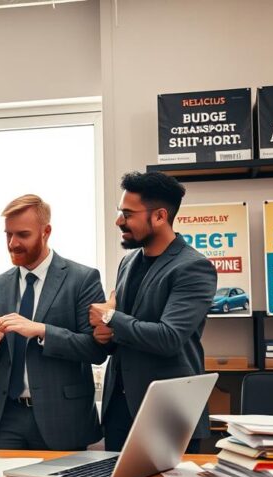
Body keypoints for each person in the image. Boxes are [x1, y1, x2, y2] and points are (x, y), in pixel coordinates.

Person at [89, 171, 217, 452]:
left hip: (167, 413)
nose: (118, 221)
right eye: (119, 212)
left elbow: (169, 337)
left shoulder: (193, 267)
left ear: (159, 216)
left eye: (127, 214)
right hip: (119, 410)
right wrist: (105, 334)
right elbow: (125, 330)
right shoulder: (129, 261)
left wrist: (110, 317)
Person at [0, 195, 106, 450]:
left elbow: (96, 350)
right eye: (8, 235)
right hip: (4, 418)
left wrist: (42, 331)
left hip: (63, 418)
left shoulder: (82, 279)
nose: (13, 243)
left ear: (46, 232)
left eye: (22, 234)